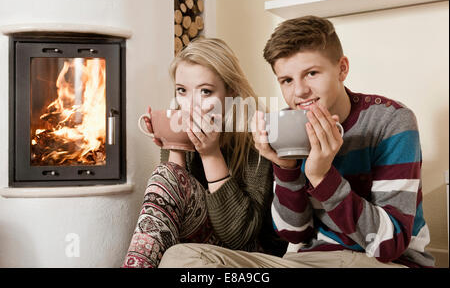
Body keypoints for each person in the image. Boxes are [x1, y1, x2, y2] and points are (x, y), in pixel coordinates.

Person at [158, 16, 435, 268]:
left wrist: (323, 176)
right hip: (309, 263)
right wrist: (285, 167)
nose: (299, 91)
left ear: (342, 69)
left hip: (384, 263)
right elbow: (293, 233)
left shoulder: (391, 122)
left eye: (311, 73)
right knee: (180, 258)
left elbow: (390, 245)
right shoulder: (286, 124)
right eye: (287, 80)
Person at [122, 37, 287, 268]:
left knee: (168, 175)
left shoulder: (257, 136)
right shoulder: (184, 125)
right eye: (182, 91)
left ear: (231, 92)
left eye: (205, 92)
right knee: (167, 173)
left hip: (250, 254)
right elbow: (173, 207)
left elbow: (239, 236)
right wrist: (175, 144)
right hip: (196, 246)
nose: (190, 105)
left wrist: (210, 154)